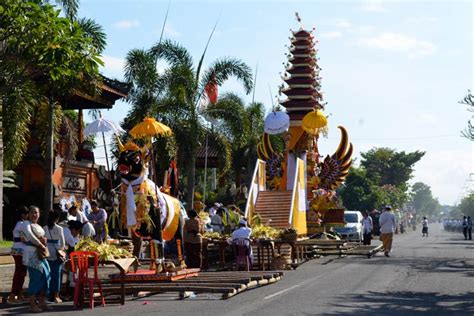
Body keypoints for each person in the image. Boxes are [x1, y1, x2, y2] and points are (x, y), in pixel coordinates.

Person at [22, 206, 51, 312]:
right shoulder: (26, 224)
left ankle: (42, 301)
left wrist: (44, 242)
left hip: (41, 255)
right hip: (31, 256)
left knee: (46, 277)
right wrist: (41, 244)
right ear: (28, 214)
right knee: (35, 279)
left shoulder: (39, 226)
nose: (34, 214)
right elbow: (29, 236)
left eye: (36, 212)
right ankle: (32, 304)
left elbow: (42, 239)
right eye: (32, 212)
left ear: (39, 214)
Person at [7, 207, 29, 304]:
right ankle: (12, 296)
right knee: (19, 273)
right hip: (20, 250)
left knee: (21, 273)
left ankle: (19, 295)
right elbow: (27, 235)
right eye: (27, 213)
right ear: (23, 214)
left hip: (18, 249)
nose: (28, 215)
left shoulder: (19, 223)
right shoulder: (22, 224)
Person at [43, 210, 65, 303]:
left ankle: (46, 295)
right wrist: (59, 249)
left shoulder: (44, 228)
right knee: (56, 275)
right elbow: (63, 244)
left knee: (46, 275)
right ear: (57, 218)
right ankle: (56, 296)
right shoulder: (60, 228)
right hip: (56, 253)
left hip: (47, 252)